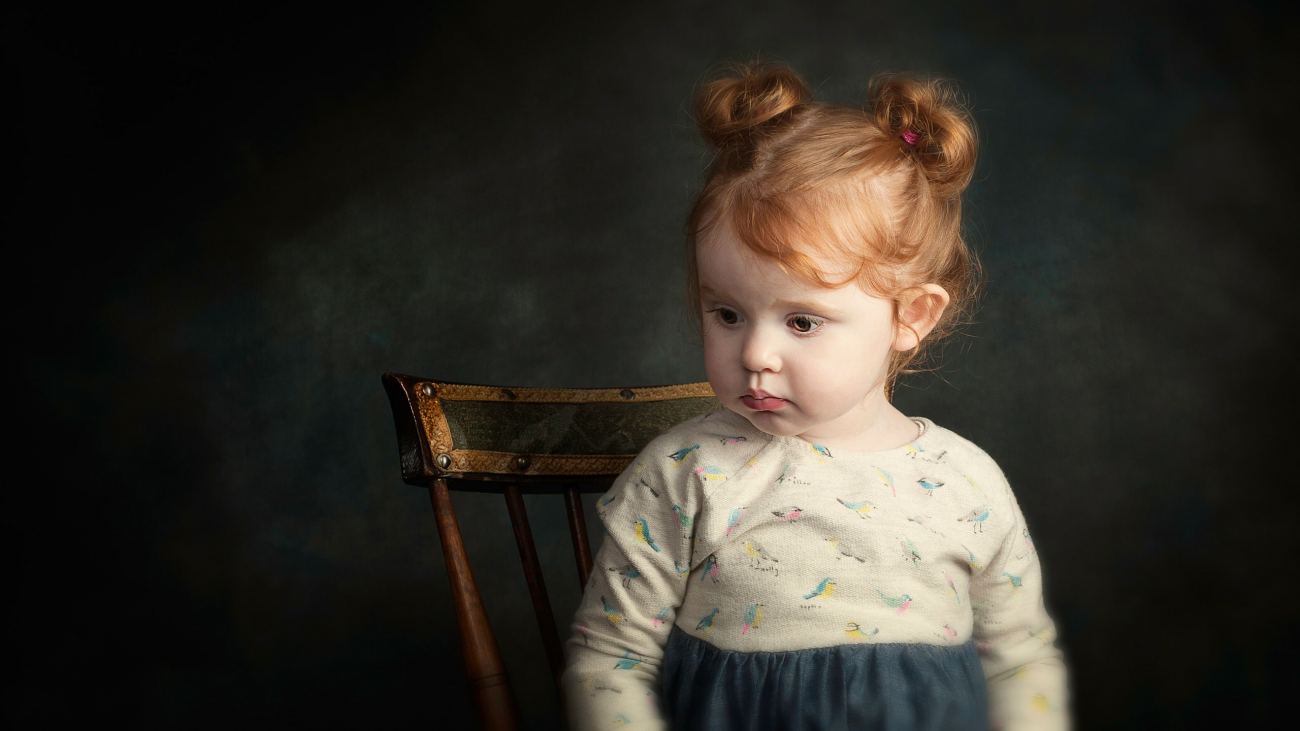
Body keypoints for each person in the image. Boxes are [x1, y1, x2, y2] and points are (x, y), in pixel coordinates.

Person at [560, 59, 1071, 731]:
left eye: (802, 320)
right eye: (727, 313)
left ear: (910, 316)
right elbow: (608, 662)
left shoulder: (966, 486)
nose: (755, 354)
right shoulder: (685, 474)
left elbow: (1019, 662)